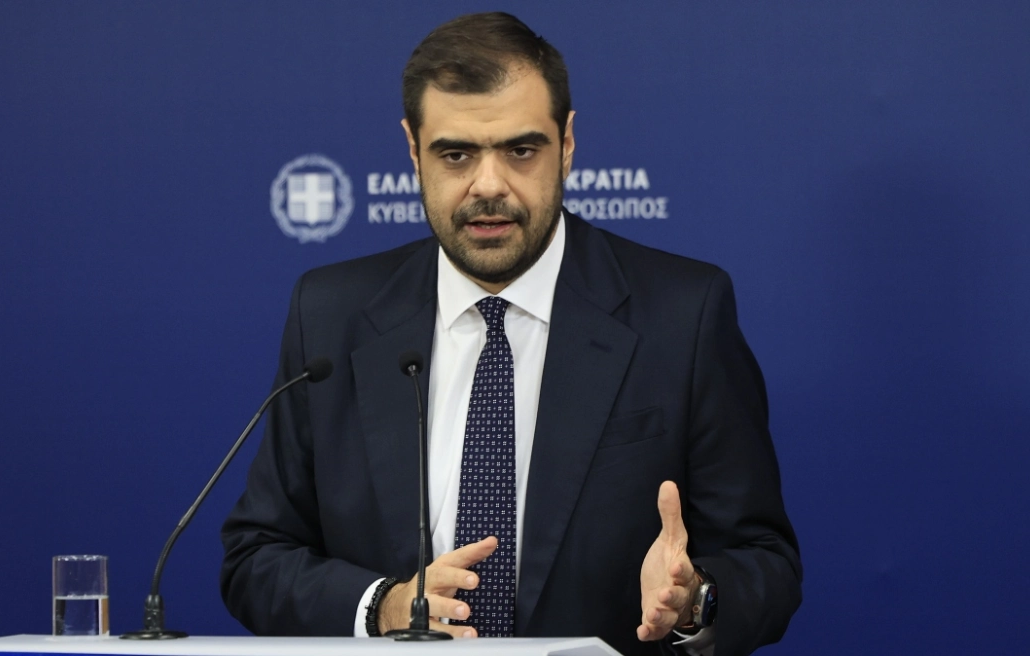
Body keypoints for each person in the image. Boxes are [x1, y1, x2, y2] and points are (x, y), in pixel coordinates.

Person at [221, 12, 801, 656]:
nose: (490, 185)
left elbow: (765, 561)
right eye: (456, 154)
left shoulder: (683, 313)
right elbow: (257, 557)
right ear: (413, 150)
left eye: (521, 151)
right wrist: (382, 606)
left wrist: (696, 599)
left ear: (567, 143)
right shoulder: (331, 314)